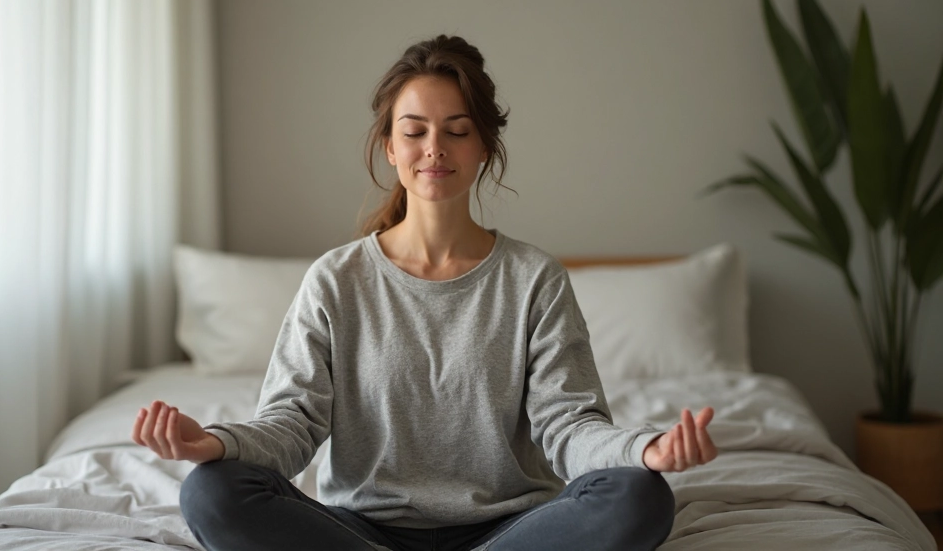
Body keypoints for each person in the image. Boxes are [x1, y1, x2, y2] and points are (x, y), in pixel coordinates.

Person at [132, 35, 718, 551]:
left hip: (511, 530)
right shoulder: (336, 281)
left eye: (457, 131)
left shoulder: (534, 278)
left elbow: (569, 427)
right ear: (391, 146)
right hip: (360, 530)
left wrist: (644, 452)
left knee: (639, 496)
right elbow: (292, 424)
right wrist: (213, 442)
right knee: (211, 489)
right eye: (414, 131)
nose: (434, 148)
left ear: (483, 146)